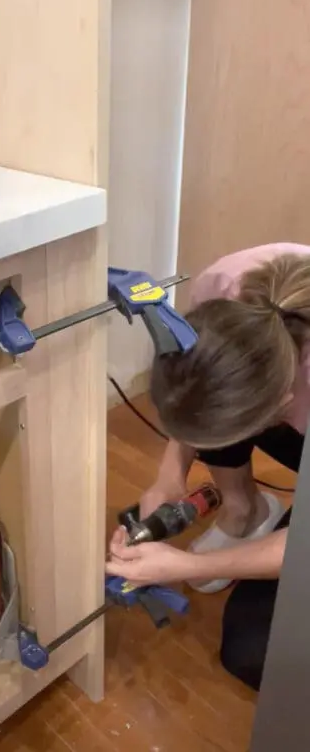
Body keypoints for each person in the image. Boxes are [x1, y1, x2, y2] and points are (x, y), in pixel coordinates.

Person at [106, 242, 310, 692]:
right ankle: (246, 512)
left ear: (281, 405)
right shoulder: (225, 287)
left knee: (254, 655)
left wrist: (184, 566)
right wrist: (168, 477)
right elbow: (198, 394)